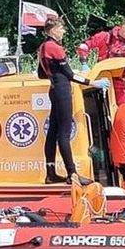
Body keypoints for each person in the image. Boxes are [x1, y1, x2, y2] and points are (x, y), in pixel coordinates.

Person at [37, 15, 91, 184]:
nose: (63, 31)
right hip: (62, 91)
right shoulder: (55, 47)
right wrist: (92, 82)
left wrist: (54, 73)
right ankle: (72, 174)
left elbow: (40, 73)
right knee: (64, 133)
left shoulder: (43, 47)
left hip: (53, 89)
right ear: (53, 30)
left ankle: (50, 172)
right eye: (61, 28)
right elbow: (70, 74)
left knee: (53, 132)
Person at [77, 17, 125, 103]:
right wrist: (84, 63)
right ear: (123, 27)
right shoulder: (106, 36)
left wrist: (123, 67)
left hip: (120, 85)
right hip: (101, 81)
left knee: (122, 109)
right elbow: (84, 46)